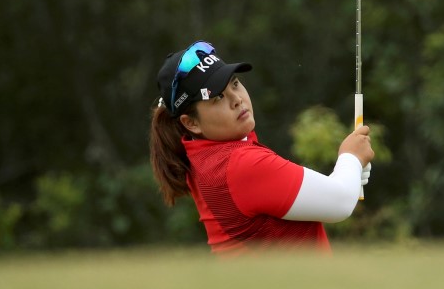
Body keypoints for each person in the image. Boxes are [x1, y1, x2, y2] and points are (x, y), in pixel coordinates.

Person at [149, 40, 374, 255]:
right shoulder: (238, 165)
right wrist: (351, 157)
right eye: (217, 97)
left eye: (235, 84)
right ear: (191, 123)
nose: (236, 99)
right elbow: (340, 202)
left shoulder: (203, 154)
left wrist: (350, 172)